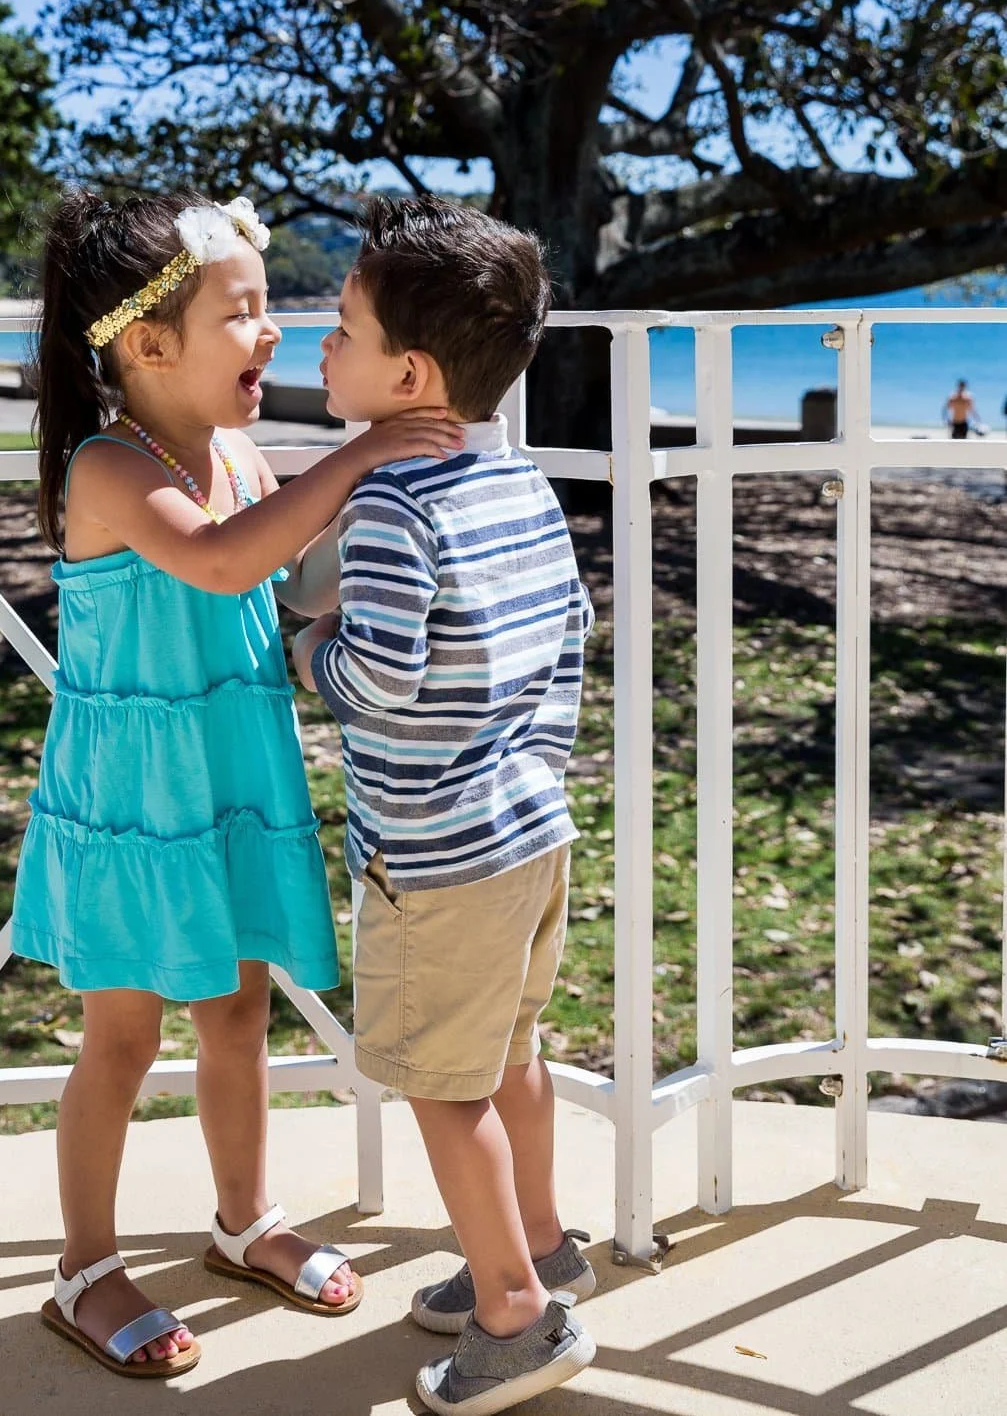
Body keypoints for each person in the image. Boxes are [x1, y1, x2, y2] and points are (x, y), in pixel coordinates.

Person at [12, 188, 464, 1380]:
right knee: (119, 1037)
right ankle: (84, 1267)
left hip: (228, 778)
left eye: (269, 310)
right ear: (148, 343)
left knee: (239, 1012)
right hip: (134, 801)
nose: (270, 333)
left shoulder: (231, 448)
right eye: (244, 312)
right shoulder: (108, 467)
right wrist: (364, 450)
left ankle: (240, 1217)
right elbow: (219, 564)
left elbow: (283, 572)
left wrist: (398, 519)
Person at [292, 195, 597, 1416]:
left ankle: (518, 1315)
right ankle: (535, 1241)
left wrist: (307, 645)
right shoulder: (515, 477)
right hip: (532, 829)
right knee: (508, 1049)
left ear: (407, 373)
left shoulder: (388, 504)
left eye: (342, 326)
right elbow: (566, 630)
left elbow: (379, 675)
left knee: (441, 1082)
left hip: (437, 853)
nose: (322, 345)